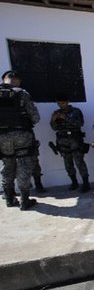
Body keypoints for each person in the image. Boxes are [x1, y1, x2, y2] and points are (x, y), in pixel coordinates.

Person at [0, 70, 40, 210]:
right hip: (22, 135)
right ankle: (24, 201)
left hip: (2, 137)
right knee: (24, 165)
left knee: (7, 166)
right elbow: (35, 117)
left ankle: (9, 199)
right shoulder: (22, 94)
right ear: (17, 80)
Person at [50, 92, 90, 193]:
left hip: (75, 141)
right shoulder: (56, 113)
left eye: (63, 103)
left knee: (79, 162)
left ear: (67, 102)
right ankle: (74, 182)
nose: (61, 105)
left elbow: (80, 123)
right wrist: (54, 120)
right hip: (63, 142)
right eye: (59, 103)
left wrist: (66, 118)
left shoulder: (76, 111)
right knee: (68, 164)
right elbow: (54, 128)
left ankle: (86, 183)